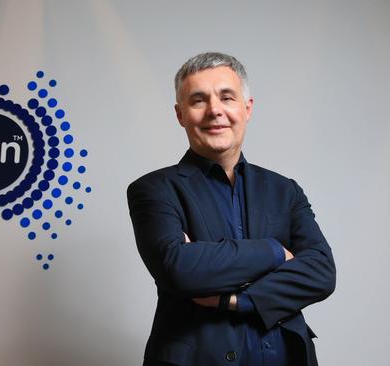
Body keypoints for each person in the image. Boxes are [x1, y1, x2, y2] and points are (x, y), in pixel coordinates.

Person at [127, 52, 336, 366]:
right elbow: (179, 269)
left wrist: (235, 299)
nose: (215, 110)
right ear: (180, 114)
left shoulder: (284, 190)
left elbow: (321, 272)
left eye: (227, 97)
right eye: (198, 100)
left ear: (247, 108)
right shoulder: (154, 189)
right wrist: (274, 252)